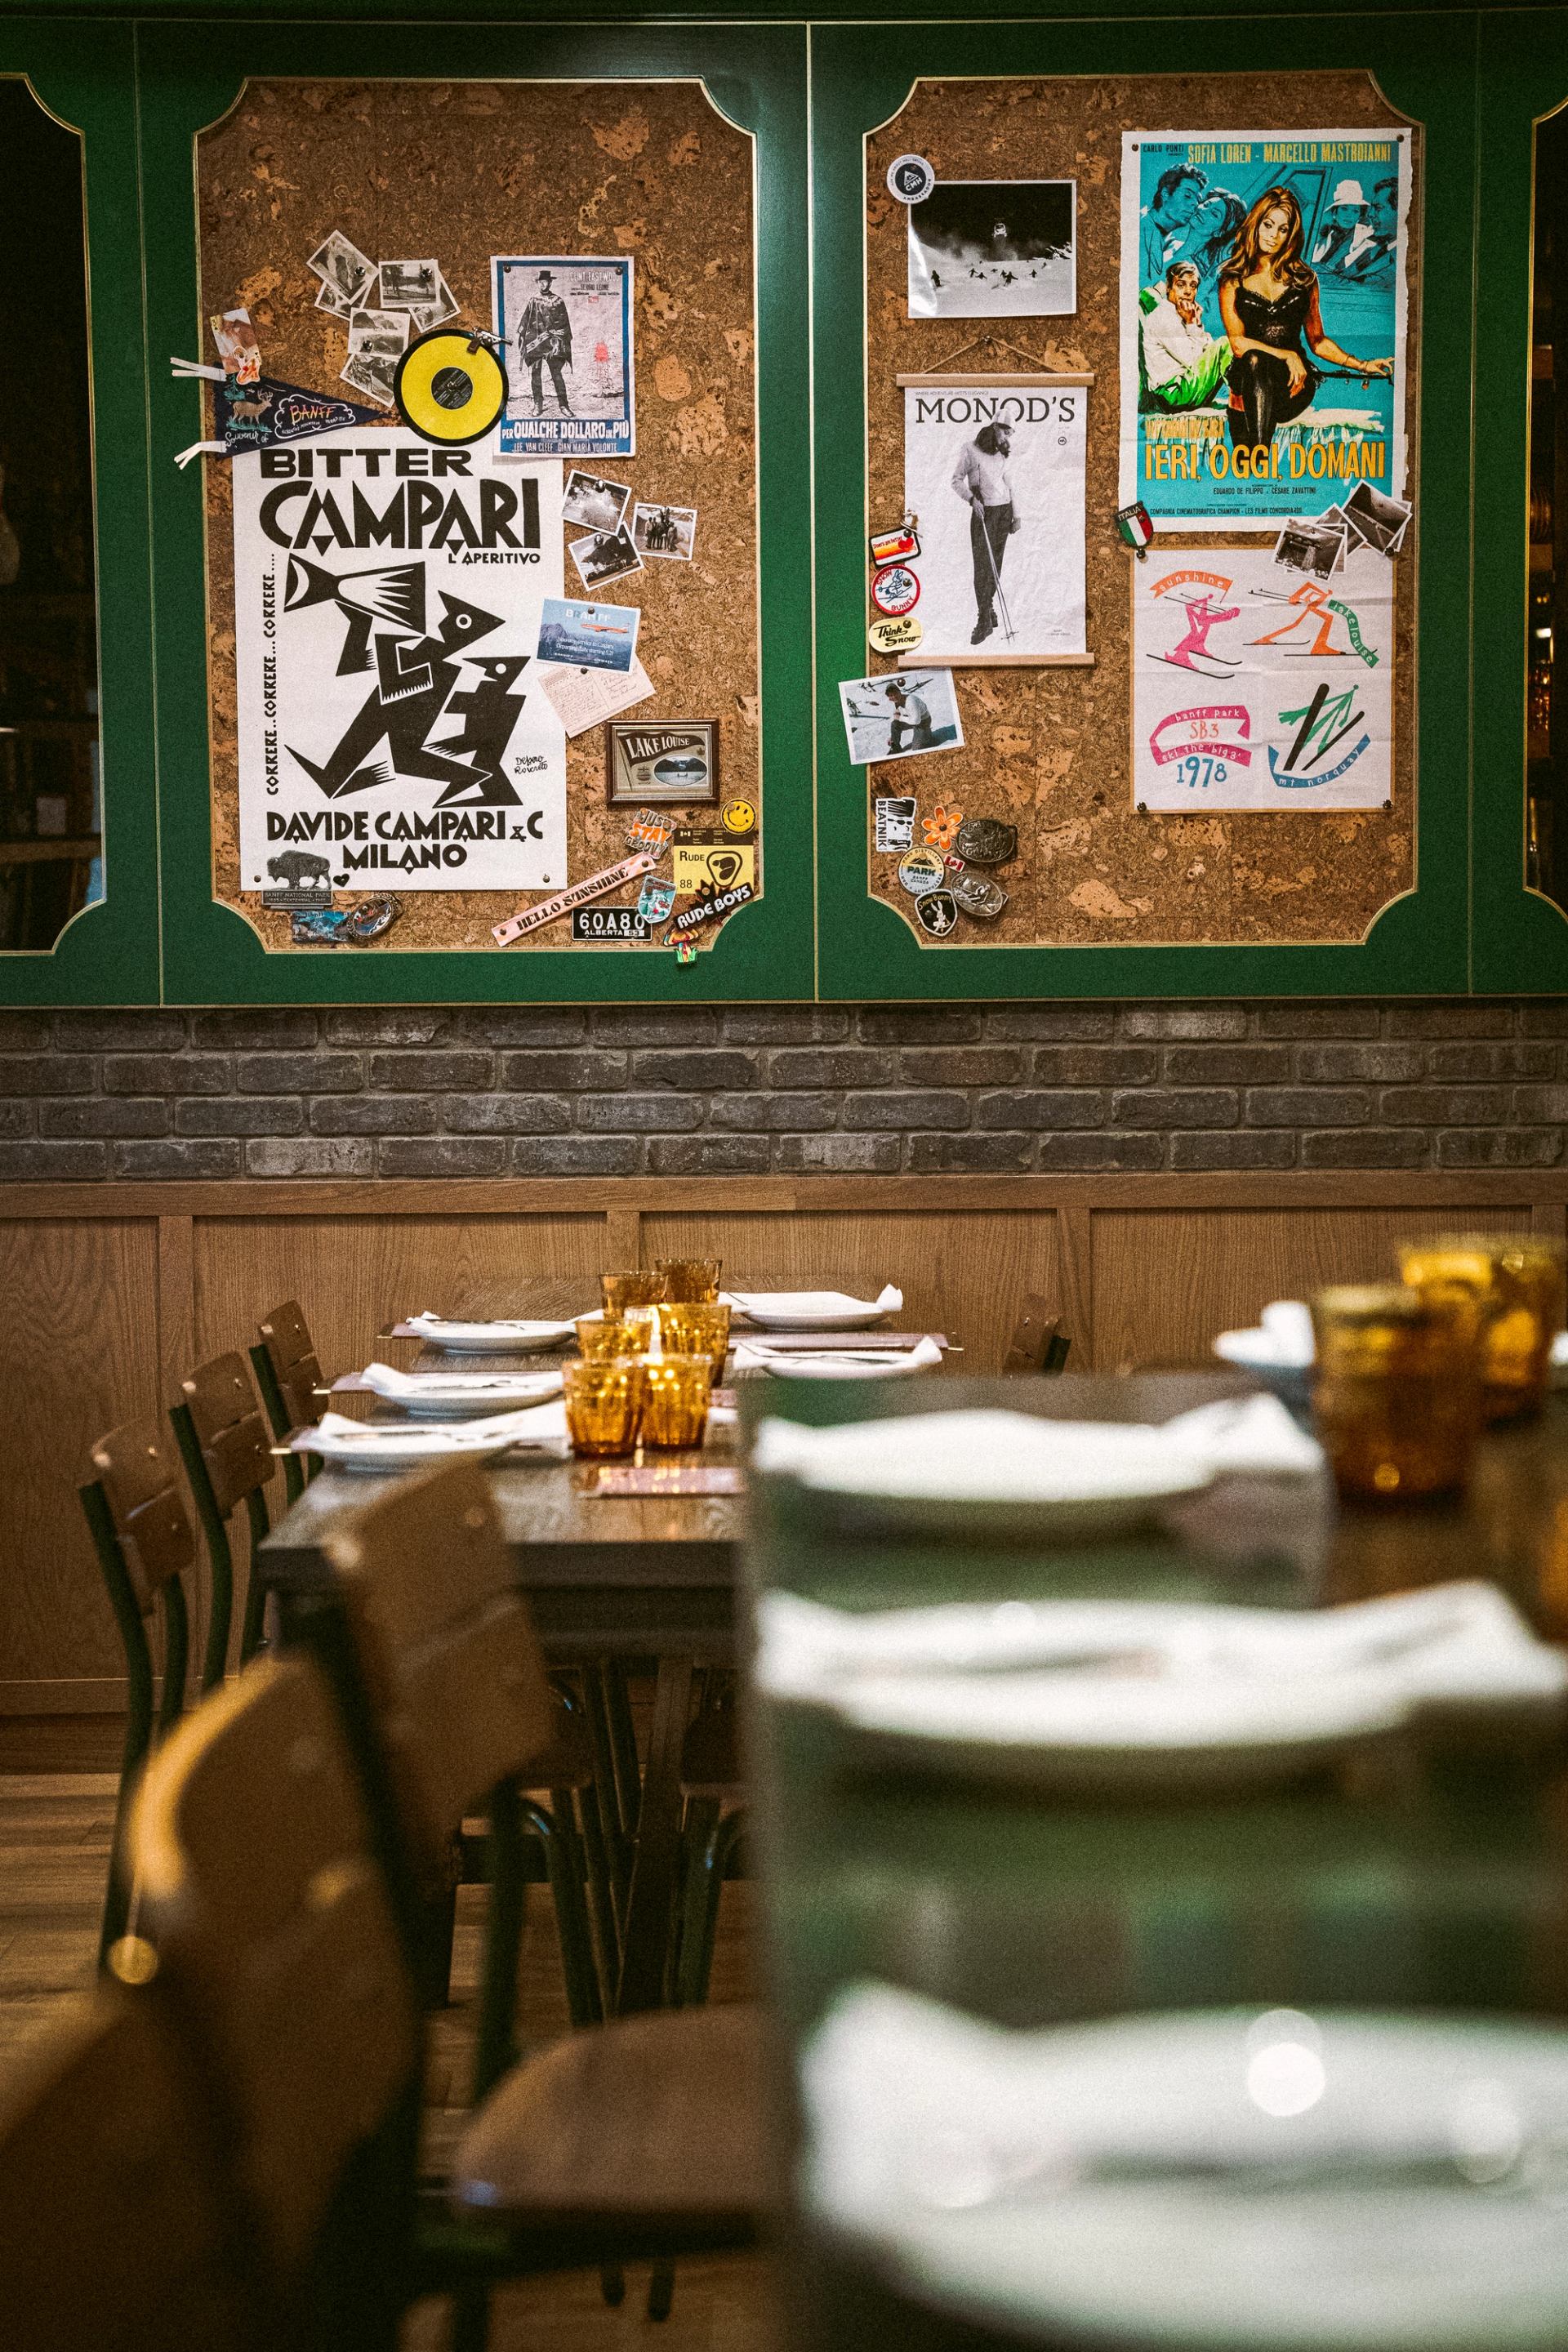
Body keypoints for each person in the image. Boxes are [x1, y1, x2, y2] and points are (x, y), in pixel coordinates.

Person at [1218, 185, 1392, 451]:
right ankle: (1258, 452)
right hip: (1246, 387)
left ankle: (1260, 452)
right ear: (1256, 224)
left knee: (1256, 449)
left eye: (1283, 229)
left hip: (1292, 386)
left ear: (1291, 234)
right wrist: (1287, 354)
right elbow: (1238, 343)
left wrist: (1363, 365)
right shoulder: (1233, 278)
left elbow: (1318, 341)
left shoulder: (1305, 279)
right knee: (1253, 361)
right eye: (1268, 225)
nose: (1273, 236)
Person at [951, 419, 1021, 646]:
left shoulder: (1003, 452)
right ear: (994, 427)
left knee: (995, 563)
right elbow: (956, 480)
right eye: (1004, 432)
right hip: (984, 512)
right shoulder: (970, 449)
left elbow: (1011, 485)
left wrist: (1017, 515)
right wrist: (972, 500)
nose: (1006, 438)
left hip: (1004, 511)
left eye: (1009, 434)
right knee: (982, 565)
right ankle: (984, 619)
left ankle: (988, 610)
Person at [1141, 260, 1232, 412]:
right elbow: (1193, 361)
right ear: (1169, 287)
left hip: (1186, 388)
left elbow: (1207, 350)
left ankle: (1244, 395)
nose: (1188, 291)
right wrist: (1191, 323)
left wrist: (1196, 323)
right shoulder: (1163, 317)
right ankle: (1243, 396)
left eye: (1193, 286)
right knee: (1224, 343)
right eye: (1181, 285)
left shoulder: (1183, 313)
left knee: (1226, 345)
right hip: (1173, 394)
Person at [1139, 163, 1208, 292]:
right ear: (1165, 194)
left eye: (1197, 200)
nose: (1195, 204)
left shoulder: (1166, 240)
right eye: (1187, 196)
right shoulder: (1142, 228)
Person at [517, 268, 573, 416]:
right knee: (536, 374)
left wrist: (557, 340)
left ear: (550, 283)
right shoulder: (533, 300)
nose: (543, 285)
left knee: (557, 374)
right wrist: (522, 335)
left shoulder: (558, 301)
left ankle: (564, 405)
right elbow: (526, 320)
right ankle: (538, 405)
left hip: (552, 344)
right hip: (536, 343)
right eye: (541, 282)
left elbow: (564, 324)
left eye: (546, 282)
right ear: (538, 283)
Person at [1312, 179, 1372, 274]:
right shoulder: (1327, 236)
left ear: (1359, 216)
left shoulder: (1362, 239)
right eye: (1344, 209)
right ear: (1335, 213)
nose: (1349, 215)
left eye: (1355, 211)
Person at [884, 679, 933, 755]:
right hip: (912, 719)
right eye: (891, 695)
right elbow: (895, 716)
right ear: (889, 698)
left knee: (917, 749)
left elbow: (916, 721)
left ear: (899, 692)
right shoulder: (895, 702)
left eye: (895, 693)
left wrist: (900, 718)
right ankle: (896, 748)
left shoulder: (910, 701)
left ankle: (927, 736)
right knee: (895, 724)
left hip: (923, 722)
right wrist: (892, 737)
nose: (894, 696)